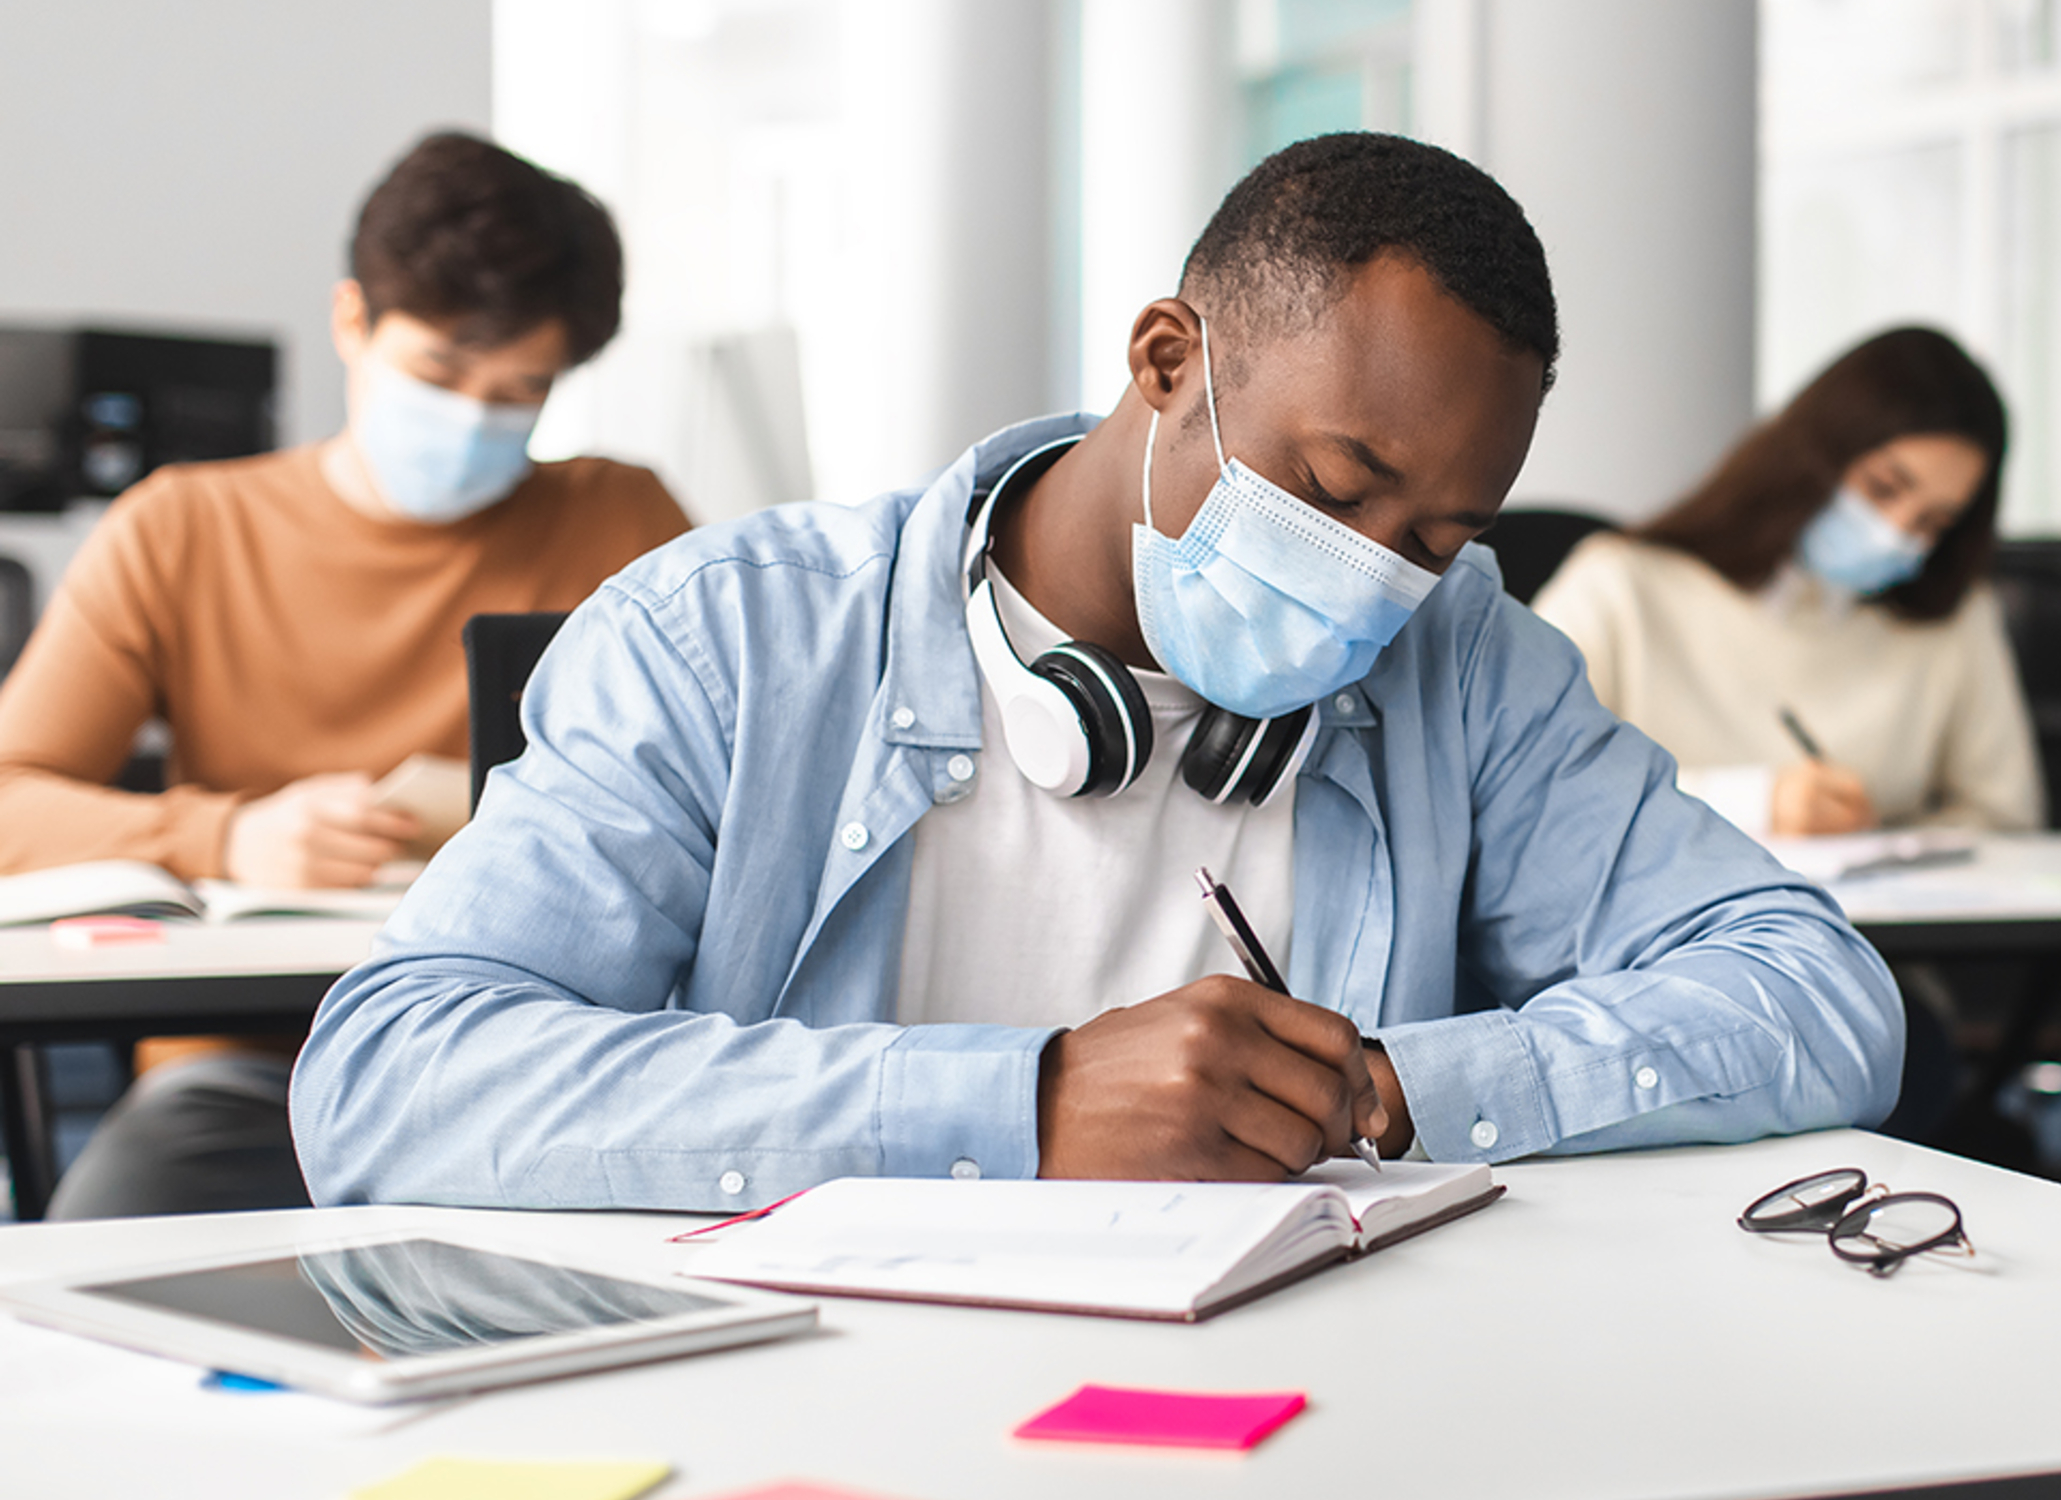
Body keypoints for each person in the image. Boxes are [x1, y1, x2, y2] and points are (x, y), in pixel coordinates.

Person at [290, 132, 1901, 1208]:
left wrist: (1393, 1086)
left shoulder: (1464, 657)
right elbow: (390, 1082)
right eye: (1336, 491)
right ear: (1167, 360)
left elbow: (1815, 997)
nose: (1376, 574)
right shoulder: (727, 636)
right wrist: (1026, 1105)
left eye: (1431, 534)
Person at [0, 132, 689, 1220]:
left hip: (548, 1067)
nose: (473, 418)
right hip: (250, 1076)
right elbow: (8, 801)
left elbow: (742, 803)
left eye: (518, 391)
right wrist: (226, 836)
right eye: (438, 374)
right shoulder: (183, 528)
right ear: (351, 323)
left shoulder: (624, 518)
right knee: (86, 1271)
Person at [1531, 326, 2040, 839]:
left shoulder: (1952, 616)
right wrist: (1755, 805)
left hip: (1865, 917)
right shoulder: (1618, 588)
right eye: (1882, 488)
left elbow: (2005, 821)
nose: (1897, 534)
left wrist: (1892, 846)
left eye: (1933, 522)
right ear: (1813, 453)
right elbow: (1527, 787)